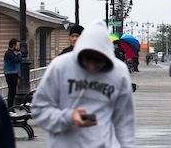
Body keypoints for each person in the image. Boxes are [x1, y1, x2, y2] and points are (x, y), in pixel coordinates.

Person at [31, 18, 136, 147]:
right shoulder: (60, 66)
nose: (91, 66)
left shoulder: (118, 71)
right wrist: (68, 117)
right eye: (87, 59)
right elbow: (39, 108)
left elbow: (124, 120)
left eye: (97, 61)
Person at [2, 38, 23, 109]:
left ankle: (11, 106)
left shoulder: (12, 53)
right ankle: (10, 107)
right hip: (10, 74)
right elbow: (17, 59)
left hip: (13, 73)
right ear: (13, 45)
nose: (18, 47)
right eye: (17, 45)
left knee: (13, 91)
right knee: (11, 91)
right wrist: (20, 53)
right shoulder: (9, 53)